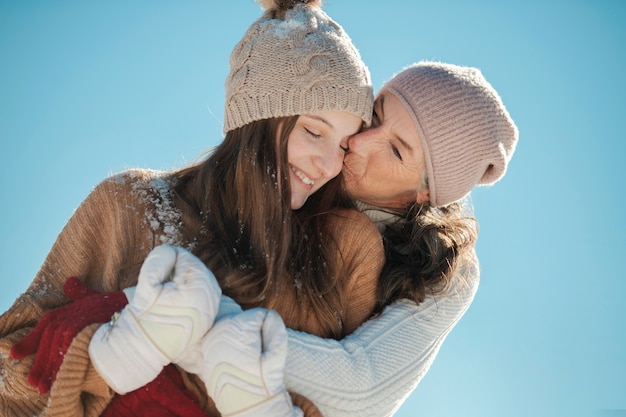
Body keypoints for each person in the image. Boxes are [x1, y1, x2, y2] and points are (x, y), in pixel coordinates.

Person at [0, 1, 380, 416]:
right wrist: (107, 350)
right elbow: (9, 372)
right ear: (256, 118)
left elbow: (365, 400)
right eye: (312, 131)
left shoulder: (341, 249)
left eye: (344, 145)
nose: (328, 165)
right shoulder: (131, 207)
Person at [191, 61, 519, 417]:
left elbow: (361, 388)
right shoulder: (310, 168)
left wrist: (198, 320)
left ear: (425, 192)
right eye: (375, 117)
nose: (359, 142)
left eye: (396, 150)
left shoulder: (445, 270)